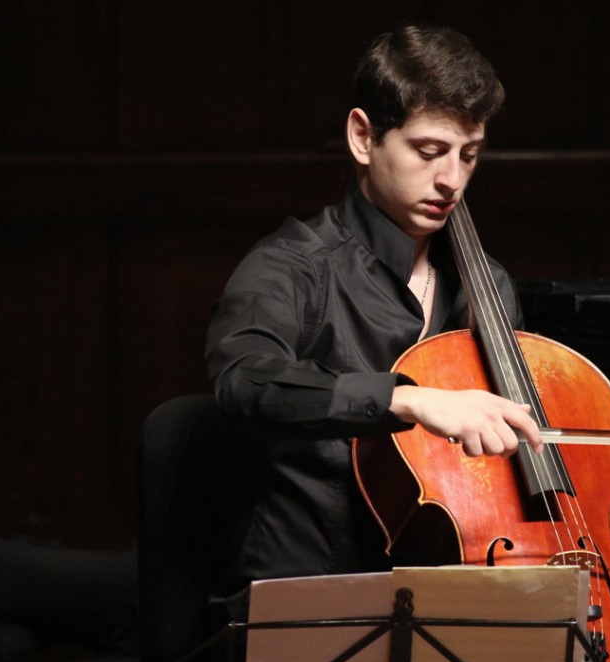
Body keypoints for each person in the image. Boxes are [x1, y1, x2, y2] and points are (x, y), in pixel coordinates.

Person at [205, 22, 542, 589]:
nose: (451, 180)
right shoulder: (293, 266)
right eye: (429, 151)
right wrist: (405, 399)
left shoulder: (488, 288)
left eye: (470, 155)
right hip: (310, 591)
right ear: (364, 137)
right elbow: (244, 382)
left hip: (452, 584)